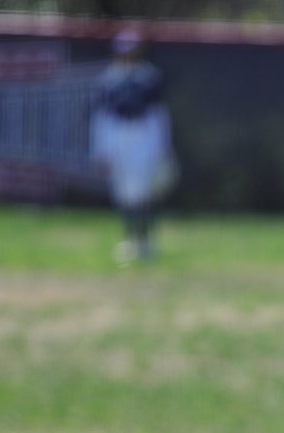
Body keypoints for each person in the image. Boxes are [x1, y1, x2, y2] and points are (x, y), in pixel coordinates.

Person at [91, 28, 178, 265]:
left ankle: (147, 241)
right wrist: (100, 150)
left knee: (144, 191)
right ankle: (130, 240)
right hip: (119, 136)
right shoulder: (109, 79)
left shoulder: (149, 78)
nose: (129, 57)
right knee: (124, 191)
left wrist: (162, 148)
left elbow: (159, 115)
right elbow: (103, 117)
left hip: (143, 136)